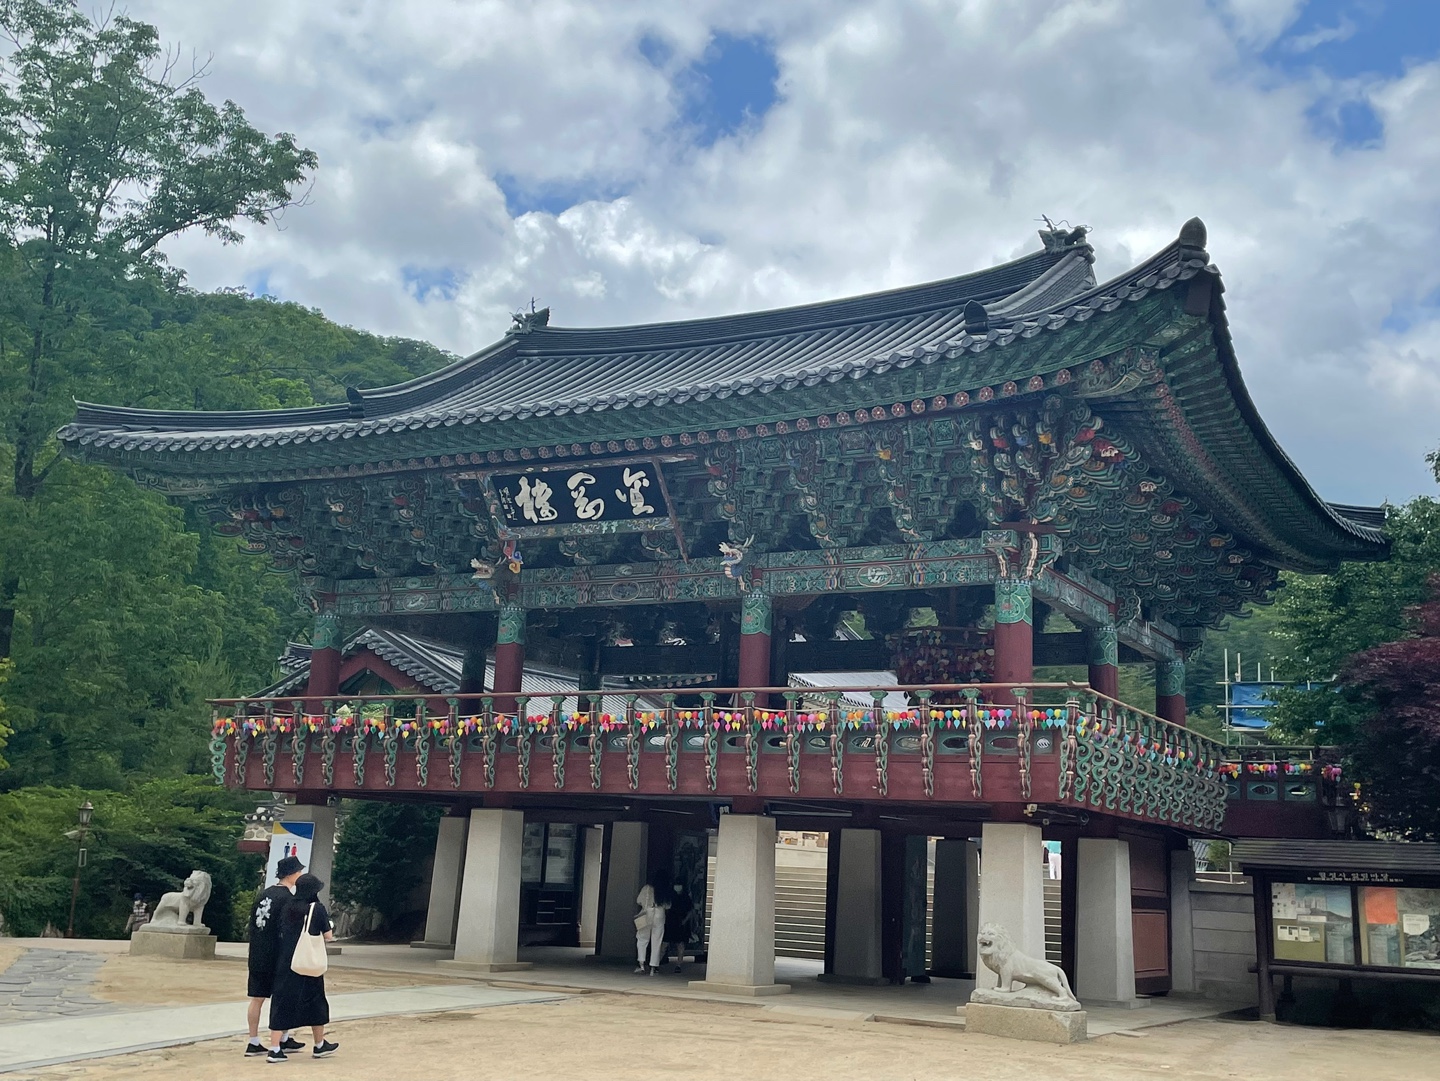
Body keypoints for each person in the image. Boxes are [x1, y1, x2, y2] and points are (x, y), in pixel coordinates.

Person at [267, 874, 339, 1063]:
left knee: (282, 1003)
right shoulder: (316, 908)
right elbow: (328, 935)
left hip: (287, 962)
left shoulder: (287, 906)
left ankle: (274, 1048)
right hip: (308, 964)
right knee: (316, 1002)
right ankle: (319, 1044)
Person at [245, 855, 305, 1058]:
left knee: (257, 998)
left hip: (257, 952)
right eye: (299, 871)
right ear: (291, 874)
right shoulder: (288, 898)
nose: (300, 874)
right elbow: (287, 930)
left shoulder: (263, 895)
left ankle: (253, 1041)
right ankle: (281, 1040)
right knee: (282, 998)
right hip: (277, 955)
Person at [633, 876, 669, 975]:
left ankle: (641, 964)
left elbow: (639, 900)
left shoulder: (647, 888)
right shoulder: (665, 889)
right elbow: (668, 905)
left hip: (647, 912)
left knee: (642, 939)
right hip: (660, 913)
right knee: (657, 941)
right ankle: (654, 967)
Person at [664, 880, 695, 974]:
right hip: (671, 922)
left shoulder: (686, 898)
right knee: (665, 944)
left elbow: (690, 911)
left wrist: (684, 920)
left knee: (680, 944)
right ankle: (656, 963)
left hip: (681, 923)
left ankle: (678, 964)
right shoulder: (670, 896)